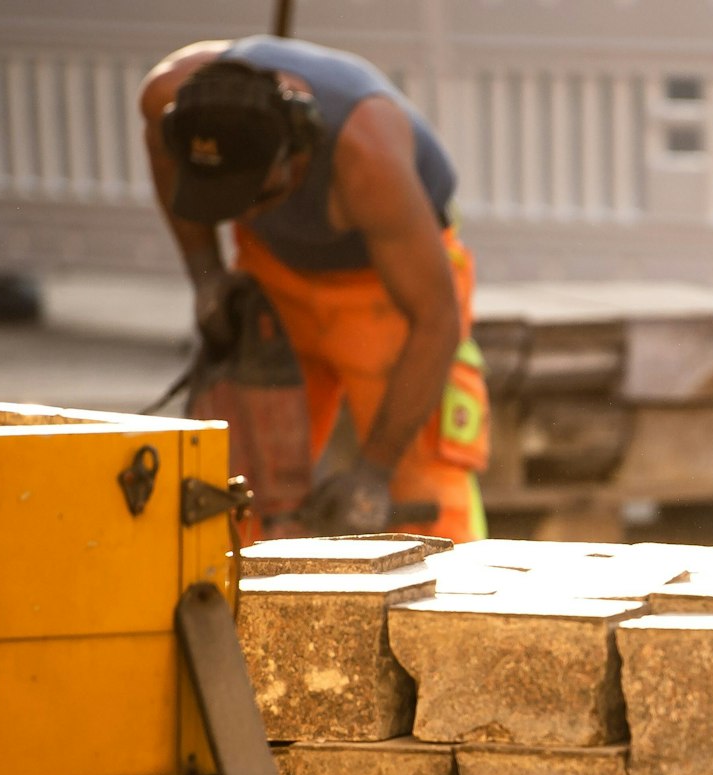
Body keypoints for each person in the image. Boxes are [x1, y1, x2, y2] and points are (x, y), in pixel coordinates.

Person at [140, 36, 489, 542]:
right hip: (273, 276)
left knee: (422, 497)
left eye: (255, 199)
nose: (244, 214)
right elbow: (163, 161)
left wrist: (374, 473)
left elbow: (436, 320)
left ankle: (457, 587)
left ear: (297, 155)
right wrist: (206, 276)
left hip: (388, 292)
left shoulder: (367, 156)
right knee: (237, 489)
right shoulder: (168, 99)